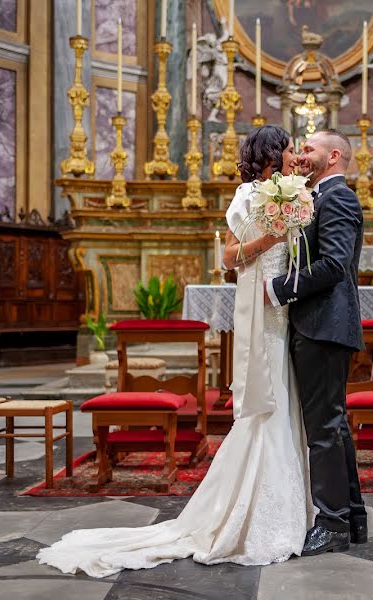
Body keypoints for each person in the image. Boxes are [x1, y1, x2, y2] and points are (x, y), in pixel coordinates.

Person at [36, 126, 315, 577]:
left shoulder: (293, 193)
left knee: (287, 399)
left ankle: (292, 506)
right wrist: (270, 238)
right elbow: (229, 257)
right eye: (284, 149)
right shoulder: (247, 195)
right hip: (261, 315)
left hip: (285, 315)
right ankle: (257, 511)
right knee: (268, 402)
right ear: (268, 154)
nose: (290, 156)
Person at [266, 129, 366, 556]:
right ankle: (352, 515)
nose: (302, 156)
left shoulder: (337, 197)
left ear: (334, 156)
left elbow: (333, 265)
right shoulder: (316, 197)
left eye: (309, 149)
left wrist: (280, 289)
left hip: (323, 326)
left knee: (323, 430)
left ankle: (332, 524)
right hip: (321, 326)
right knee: (334, 425)